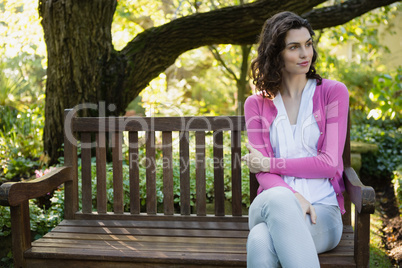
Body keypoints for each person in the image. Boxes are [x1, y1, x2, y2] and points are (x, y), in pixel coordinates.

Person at [241, 11, 349, 268]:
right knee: (280, 199)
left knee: (259, 240)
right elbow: (261, 173)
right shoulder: (256, 104)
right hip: (269, 206)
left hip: (321, 212)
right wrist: (293, 197)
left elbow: (330, 164)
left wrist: (270, 163)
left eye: (308, 44)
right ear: (276, 53)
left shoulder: (333, 93)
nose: (305, 54)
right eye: (294, 47)